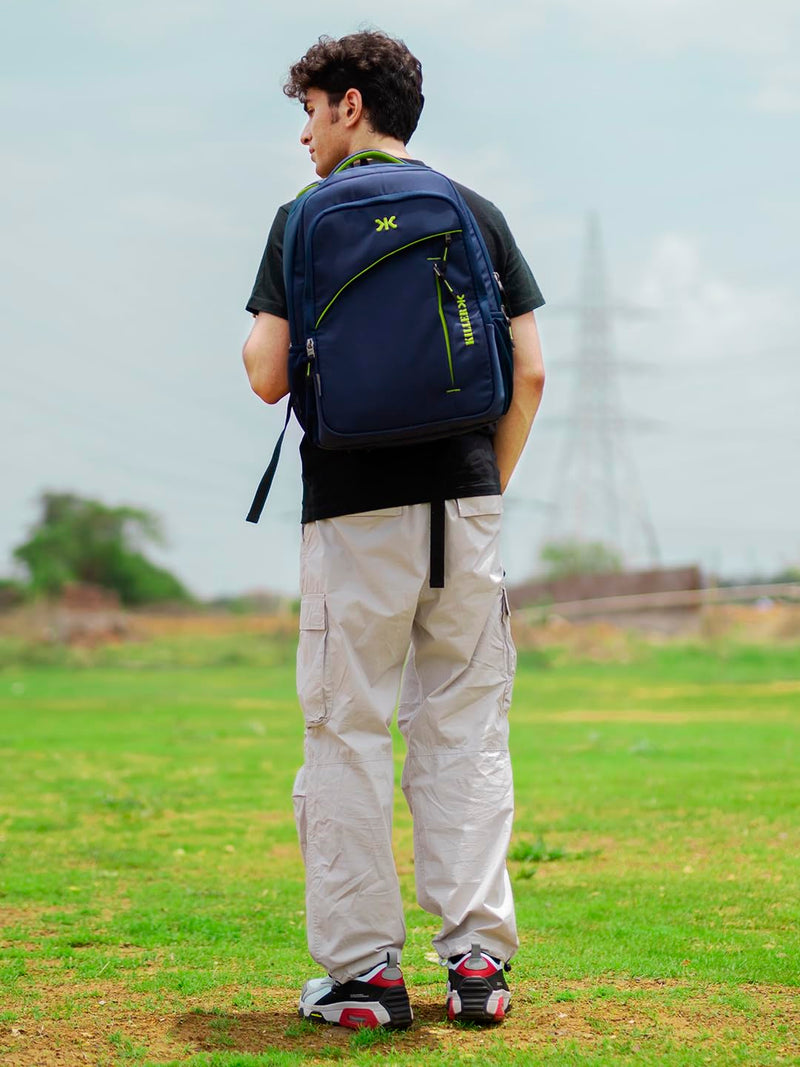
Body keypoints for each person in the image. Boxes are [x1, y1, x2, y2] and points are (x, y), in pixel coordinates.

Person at [242, 30, 545, 1030]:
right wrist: (479, 491)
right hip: (462, 507)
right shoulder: (470, 209)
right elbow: (528, 369)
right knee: (463, 728)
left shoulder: (302, 220)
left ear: (350, 106)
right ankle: (474, 963)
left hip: (351, 511)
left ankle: (365, 973)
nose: (303, 134)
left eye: (310, 109)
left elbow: (266, 372)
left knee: (345, 731)